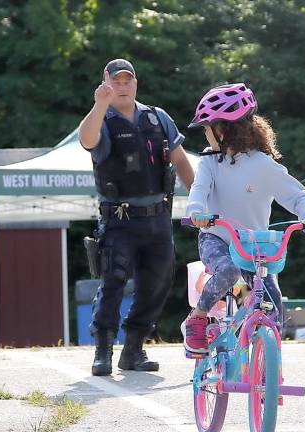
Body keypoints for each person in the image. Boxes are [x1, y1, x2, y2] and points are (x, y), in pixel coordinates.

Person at [182, 83, 305, 354]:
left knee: (274, 301)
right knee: (228, 271)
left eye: (206, 127)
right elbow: (198, 192)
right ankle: (198, 318)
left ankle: (269, 369)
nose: (205, 133)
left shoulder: (263, 165)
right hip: (217, 237)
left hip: (253, 245)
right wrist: (197, 213)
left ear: (222, 129)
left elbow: (298, 196)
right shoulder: (210, 163)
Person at [79, 58, 194, 375]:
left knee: (156, 284)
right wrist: (98, 105)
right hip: (119, 219)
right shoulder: (102, 118)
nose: (122, 85)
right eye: (116, 80)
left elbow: (181, 162)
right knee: (113, 282)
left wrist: (200, 200)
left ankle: (133, 351)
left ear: (136, 83)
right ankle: (103, 351)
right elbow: (87, 140)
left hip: (157, 219)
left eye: (127, 80)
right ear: (105, 83)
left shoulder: (157, 118)